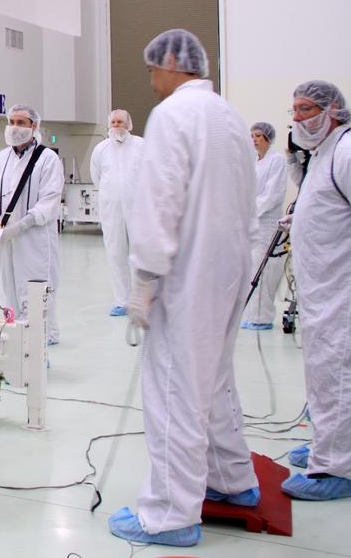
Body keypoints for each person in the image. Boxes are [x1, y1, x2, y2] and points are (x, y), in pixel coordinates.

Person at [109, 29, 259, 547]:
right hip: (229, 268)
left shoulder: (173, 116)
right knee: (213, 380)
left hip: (185, 274)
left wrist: (145, 280)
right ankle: (233, 479)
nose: (151, 82)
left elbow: (158, 205)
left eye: (153, 70)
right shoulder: (228, 115)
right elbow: (249, 196)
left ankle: (170, 513)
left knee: (174, 389)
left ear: (172, 66)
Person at [279, 81, 351, 501]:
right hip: (324, 282)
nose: (298, 118)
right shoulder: (326, 154)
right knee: (326, 372)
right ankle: (334, 449)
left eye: (307, 109)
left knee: (340, 370)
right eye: (294, 110)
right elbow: (329, 206)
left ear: (334, 109)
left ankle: (334, 471)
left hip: (346, 281)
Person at [0, 104, 63, 342]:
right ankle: (16, 334)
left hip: (35, 237)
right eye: (11, 122)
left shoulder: (47, 159)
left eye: (21, 123)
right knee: (8, 286)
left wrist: (21, 226)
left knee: (36, 287)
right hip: (6, 238)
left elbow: (49, 200)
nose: (15, 127)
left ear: (34, 126)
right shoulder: (0, 159)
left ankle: (41, 337)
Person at [90, 109, 145, 316]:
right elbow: (96, 176)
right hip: (111, 209)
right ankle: (122, 300)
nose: (116, 126)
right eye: (113, 122)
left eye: (120, 122)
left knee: (141, 254)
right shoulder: (101, 149)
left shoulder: (141, 145)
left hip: (138, 209)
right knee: (115, 252)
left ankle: (143, 299)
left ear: (129, 124)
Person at [241, 121, 288, 330]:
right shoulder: (252, 162)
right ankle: (250, 314)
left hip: (266, 224)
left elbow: (273, 195)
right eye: (251, 136)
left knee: (264, 270)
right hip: (250, 224)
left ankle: (263, 317)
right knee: (250, 270)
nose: (254, 140)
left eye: (258, 136)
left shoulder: (276, 161)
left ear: (268, 138)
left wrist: (252, 210)